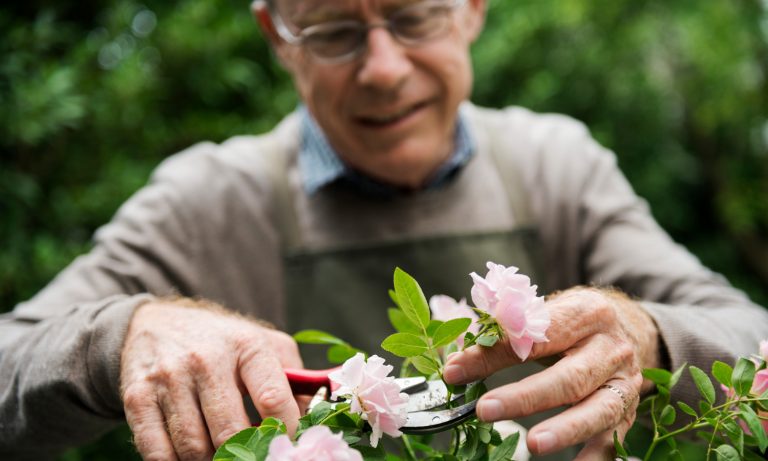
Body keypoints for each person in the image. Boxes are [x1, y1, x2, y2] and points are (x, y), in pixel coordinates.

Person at [1, 0, 766, 459]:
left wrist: (651, 336)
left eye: (413, 16)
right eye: (333, 30)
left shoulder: (557, 168)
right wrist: (118, 338)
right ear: (278, 34)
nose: (383, 68)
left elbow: (753, 337)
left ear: (471, 8)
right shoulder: (204, 203)